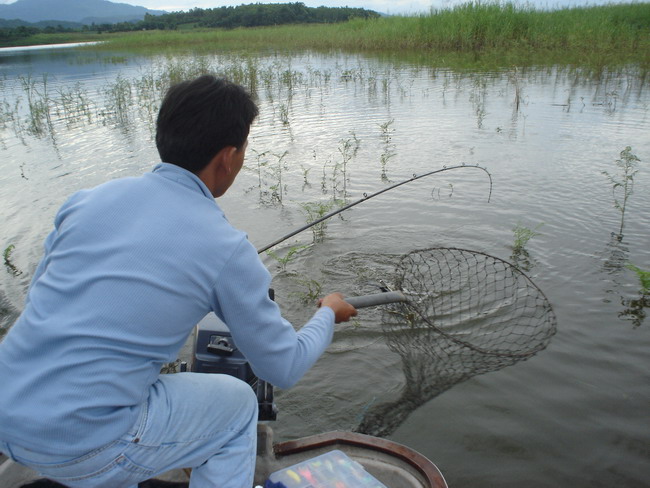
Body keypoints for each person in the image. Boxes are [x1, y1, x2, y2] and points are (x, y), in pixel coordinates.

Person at [0, 75, 357, 488]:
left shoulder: (84, 201)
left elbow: (46, 299)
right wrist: (328, 313)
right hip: (83, 444)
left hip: (7, 415)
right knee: (239, 404)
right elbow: (284, 366)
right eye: (243, 150)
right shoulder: (224, 245)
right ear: (227, 157)